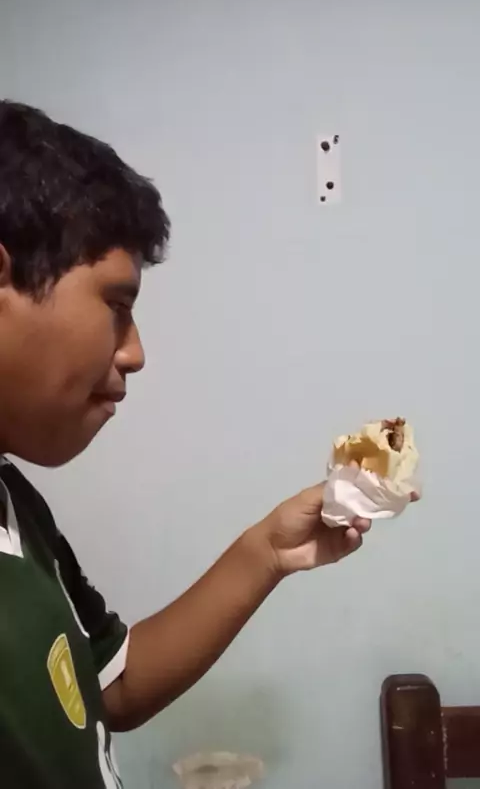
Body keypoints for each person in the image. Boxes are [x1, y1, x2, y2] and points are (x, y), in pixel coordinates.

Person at [0, 101, 370, 788]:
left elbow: (112, 688)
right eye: (117, 306)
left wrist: (268, 551)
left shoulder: (15, 504)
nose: (135, 353)